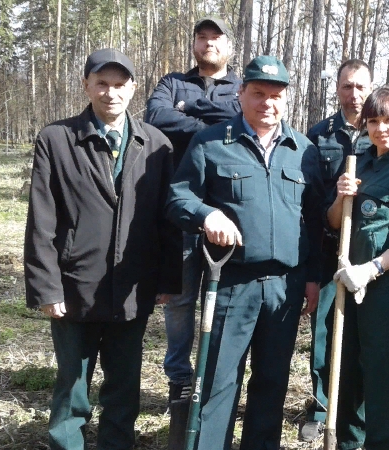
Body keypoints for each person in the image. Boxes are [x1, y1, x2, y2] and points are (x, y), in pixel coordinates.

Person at [24, 48, 181, 450]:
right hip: (75, 286)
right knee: (73, 387)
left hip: (132, 287)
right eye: (102, 84)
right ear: (87, 86)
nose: (111, 93)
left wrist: (167, 279)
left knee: (124, 386)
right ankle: (67, 443)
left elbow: (168, 220)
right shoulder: (57, 139)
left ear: (132, 88)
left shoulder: (156, 145)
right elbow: (42, 220)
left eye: (120, 84)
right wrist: (47, 289)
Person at [165, 55, 324, 450]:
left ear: (286, 99)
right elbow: (177, 197)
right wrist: (206, 214)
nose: (267, 103)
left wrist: (312, 278)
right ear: (241, 94)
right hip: (231, 282)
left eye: (275, 96)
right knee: (219, 381)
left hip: (285, 289)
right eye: (258, 94)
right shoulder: (212, 143)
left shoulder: (302, 150)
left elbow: (316, 220)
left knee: (271, 382)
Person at [143, 15, 242, 446]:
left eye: (215, 38)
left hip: (227, 208)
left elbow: (241, 120)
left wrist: (190, 111)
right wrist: (207, 123)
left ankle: (213, 379)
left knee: (222, 301)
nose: (208, 44)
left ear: (228, 46)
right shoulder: (171, 82)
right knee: (180, 300)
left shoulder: (243, 86)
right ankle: (180, 381)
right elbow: (154, 116)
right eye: (202, 38)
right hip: (181, 209)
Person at [326, 86, 389, 450]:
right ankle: (348, 442)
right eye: (373, 121)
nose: (380, 128)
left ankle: (382, 444)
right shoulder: (358, 161)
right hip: (345, 281)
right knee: (347, 367)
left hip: (384, 286)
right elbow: (336, 222)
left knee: (380, 370)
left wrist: (369, 270)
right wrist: (342, 195)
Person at [300, 58, 373, 442]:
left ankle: (355, 410)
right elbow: (310, 205)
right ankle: (322, 405)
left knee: (363, 336)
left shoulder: (382, 130)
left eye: (361, 86)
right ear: (338, 89)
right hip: (329, 249)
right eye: (347, 86)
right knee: (325, 332)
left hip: (369, 252)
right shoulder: (320, 135)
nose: (354, 94)